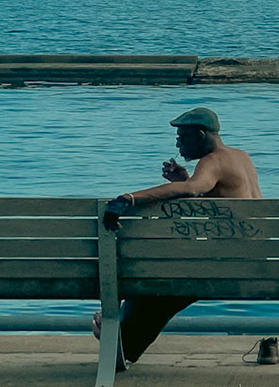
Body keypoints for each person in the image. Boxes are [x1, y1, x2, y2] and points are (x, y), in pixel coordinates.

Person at [93, 106, 261, 367]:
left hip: (229, 266)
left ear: (202, 135)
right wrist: (184, 179)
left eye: (182, 137)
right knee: (159, 287)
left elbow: (194, 189)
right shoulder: (241, 157)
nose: (178, 144)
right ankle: (122, 342)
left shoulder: (212, 161)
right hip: (254, 260)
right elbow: (221, 196)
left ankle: (120, 340)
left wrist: (130, 198)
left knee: (154, 285)